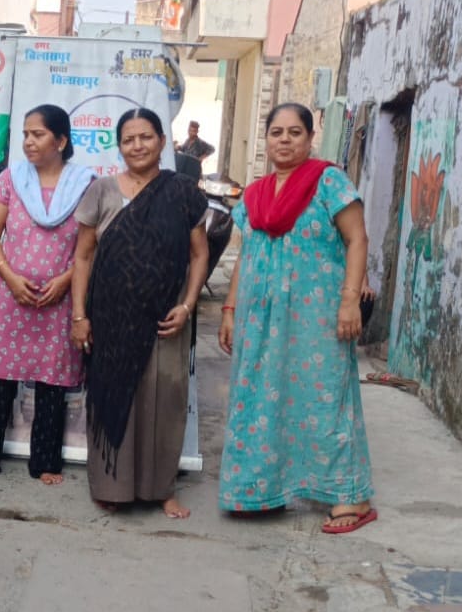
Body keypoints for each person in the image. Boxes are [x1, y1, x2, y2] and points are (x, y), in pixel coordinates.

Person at [217, 103, 376, 533]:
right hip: (259, 318)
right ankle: (260, 488)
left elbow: (357, 239)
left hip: (316, 316)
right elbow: (248, 254)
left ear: (309, 138)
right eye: (277, 133)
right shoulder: (255, 194)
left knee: (324, 398)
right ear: (266, 139)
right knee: (259, 399)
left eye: (294, 132)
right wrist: (230, 309)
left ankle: (351, 495)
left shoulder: (329, 182)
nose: (284, 140)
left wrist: (350, 301)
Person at [70, 108, 209, 519]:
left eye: (146, 137)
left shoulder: (182, 191)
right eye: (128, 139)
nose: (137, 146)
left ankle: (161, 489)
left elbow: (199, 255)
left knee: (164, 400)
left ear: (162, 141)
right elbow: (82, 257)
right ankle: (112, 486)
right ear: (119, 146)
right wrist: (79, 316)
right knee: (115, 396)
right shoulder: (101, 191)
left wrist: (187, 305)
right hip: (110, 319)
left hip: (166, 318)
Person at [0, 105, 95, 485]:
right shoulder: (11, 179)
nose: (28, 141)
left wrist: (65, 281)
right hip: (9, 296)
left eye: (37, 134)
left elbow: (90, 249)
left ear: (61, 140)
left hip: (60, 301)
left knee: (52, 382)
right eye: (25, 134)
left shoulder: (85, 185)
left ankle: (45, 461)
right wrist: (10, 278)